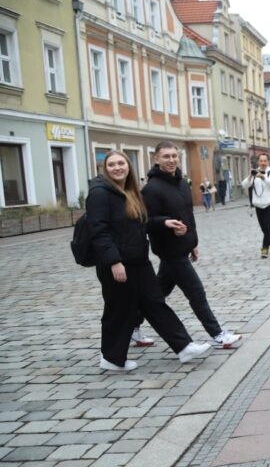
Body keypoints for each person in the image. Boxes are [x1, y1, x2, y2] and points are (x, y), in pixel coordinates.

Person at [87, 151, 211, 371]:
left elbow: (140, 224)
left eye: (121, 163)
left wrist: (164, 223)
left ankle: (183, 347)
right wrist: (114, 261)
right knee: (119, 310)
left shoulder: (130, 191)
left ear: (128, 166)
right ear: (105, 169)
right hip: (117, 264)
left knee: (155, 303)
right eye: (112, 164)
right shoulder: (100, 193)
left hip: (138, 260)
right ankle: (111, 358)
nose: (118, 167)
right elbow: (98, 231)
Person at [141, 142, 242, 349]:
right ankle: (217, 334)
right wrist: (164, 222)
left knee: (157, 293)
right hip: (170, 250)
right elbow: (144, 222)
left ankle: (132, 323)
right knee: (196, 292)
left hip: (182, 247)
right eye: (166, 156)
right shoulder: (152, 189)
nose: (171, 160)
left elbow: (188, 216)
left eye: (174, 156)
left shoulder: (182, 183)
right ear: (156, 159)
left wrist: (192, 244)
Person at [242, 153, 270, 259]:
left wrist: (263, 176)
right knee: (264, 229)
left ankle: (264, 249)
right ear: (258, 162)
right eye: (261, 161)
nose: (263, 163)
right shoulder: (255, 172)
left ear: (268, 162)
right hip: (258, 205)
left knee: (267, 227)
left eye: (265, 161)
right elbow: (244, 185)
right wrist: (251, 176)